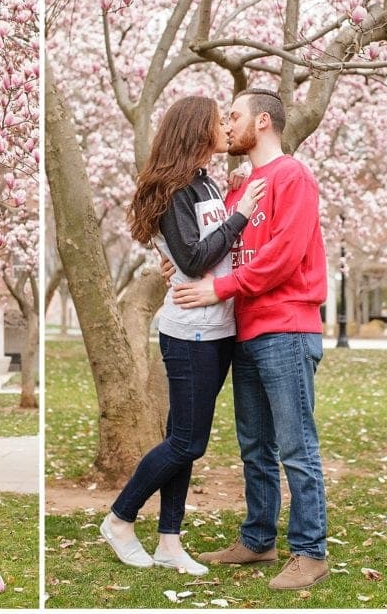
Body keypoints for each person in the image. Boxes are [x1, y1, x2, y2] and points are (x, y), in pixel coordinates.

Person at [99, 96, 267, 576]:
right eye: (218, 121)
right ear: (197, 130)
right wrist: (241, 213)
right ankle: (119, 518)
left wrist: (231, 197)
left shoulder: (203, 181)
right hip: (189, 330)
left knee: (183, 437)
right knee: (187, 443)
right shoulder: (174, 189)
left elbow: (207, 251)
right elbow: (193, 260)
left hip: (218, 328)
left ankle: (169, 540)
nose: (224, 128)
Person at [170, 88, 330, 591]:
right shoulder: (239, 190)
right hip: (246, 330)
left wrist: (219, 288)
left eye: (234, 116)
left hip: (287, 327)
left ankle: (310, 551)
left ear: (262, 122)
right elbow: (214, 249)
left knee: (296, 447)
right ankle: (258, 539)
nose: (227, 125)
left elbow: (284, 255)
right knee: (254, 445)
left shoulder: (293, 176)